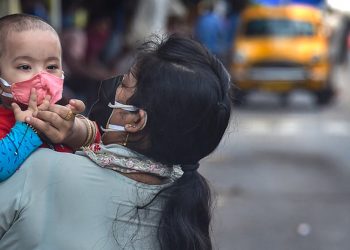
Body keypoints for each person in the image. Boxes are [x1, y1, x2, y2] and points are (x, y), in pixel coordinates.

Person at [0, 34, 232, 250]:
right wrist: (84, 135)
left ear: (136, 121)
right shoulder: (184, 208)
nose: (114, 86)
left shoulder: (41, 169)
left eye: (124, 84)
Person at [0, 14, 96, 181]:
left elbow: (99, 145)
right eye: (25, 66)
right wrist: (27, 131)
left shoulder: (61, 114)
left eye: (51, 66)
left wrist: (75, 129)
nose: (42, 78)